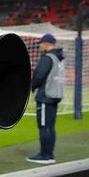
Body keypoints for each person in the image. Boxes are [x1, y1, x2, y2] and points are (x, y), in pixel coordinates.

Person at [27, 33, 65, 165]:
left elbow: (39, 75)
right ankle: (49, 154)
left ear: (47, 43)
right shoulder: (58, 58)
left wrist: (31, 87)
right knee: (50, 126)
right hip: (55, 95)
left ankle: (45, 155)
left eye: (41, 43)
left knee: (44, 126)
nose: (40, 46)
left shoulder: (48, 58)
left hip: (46, 96)